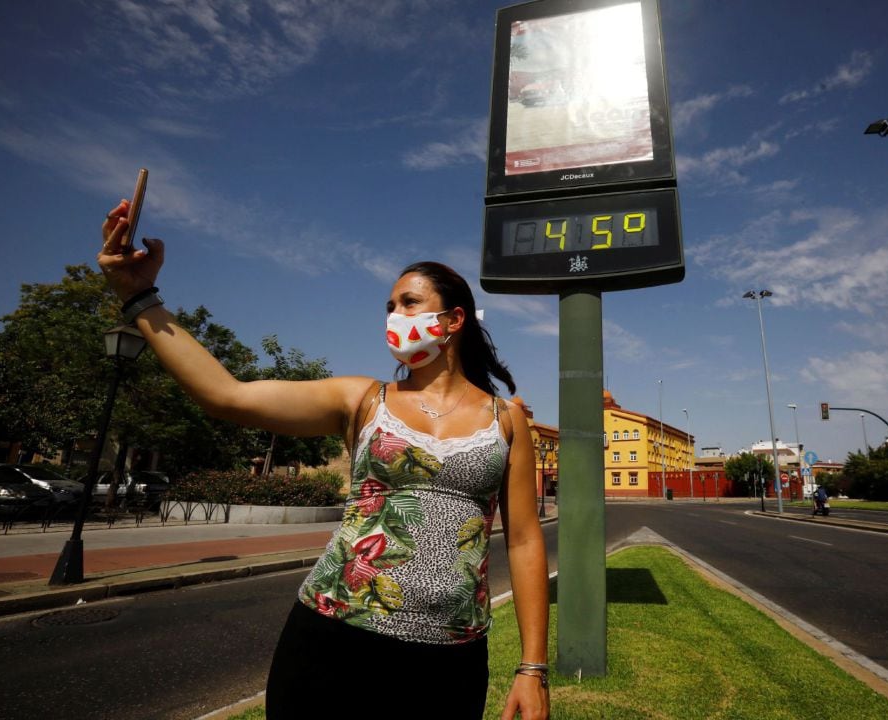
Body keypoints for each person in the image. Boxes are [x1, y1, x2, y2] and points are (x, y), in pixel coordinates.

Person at [98, 199, 550, 719]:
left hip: (450, 656)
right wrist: (140, 298)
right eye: (389, 307)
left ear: (453, 319)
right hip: (332, 639)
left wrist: (532, 668)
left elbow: (523, 540)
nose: (393, 316)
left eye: (408, 303)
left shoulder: (507, 420)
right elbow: (225, 395)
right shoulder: (361, 399)